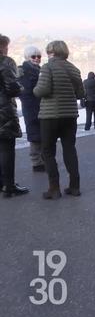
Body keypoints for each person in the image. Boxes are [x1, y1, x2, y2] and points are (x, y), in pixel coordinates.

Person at [34, 40, 85, 199]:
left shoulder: (47, 67)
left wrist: (34, 90)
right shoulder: (74, 69)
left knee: (48, 151)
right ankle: (74, 186)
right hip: (70, 115)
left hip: (50, 116)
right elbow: (80, 94)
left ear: (52, 52)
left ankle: (54, 188)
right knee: (69, 148)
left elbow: (43, 90)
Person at [0, 34, 29, 197]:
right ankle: (8, 185)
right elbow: (12, 88)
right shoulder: (5, 62)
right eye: (6, 46)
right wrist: (21, 88)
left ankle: (2, 182)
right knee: (6, 148)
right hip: (3, 110)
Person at [17, 46, 45, 172]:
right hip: (31, 107)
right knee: (34, 135)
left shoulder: (38, 70)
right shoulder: (23, 71)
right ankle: (36, 162)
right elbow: (25, 91)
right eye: (34, 56)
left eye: (39, 56)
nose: (37, 59)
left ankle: (41, 159)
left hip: (40, 106)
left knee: (41, 134)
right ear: (27, 57)